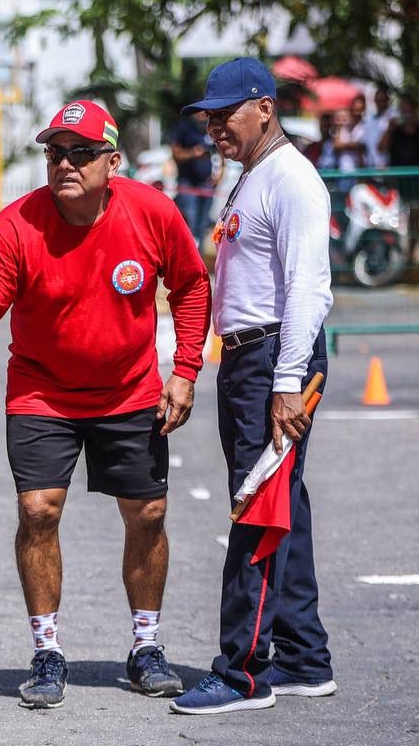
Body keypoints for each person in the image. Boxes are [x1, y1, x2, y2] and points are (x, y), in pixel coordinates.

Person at [0, 100, 211, 710]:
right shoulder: (16, 225)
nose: (65, 163)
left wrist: (186, 370)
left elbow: (192, 286)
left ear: (112, 161)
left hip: (131, 388)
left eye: (82, 152)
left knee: (146, 516)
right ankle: (47, 651)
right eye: (55, 152)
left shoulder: (151, 212)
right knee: (38, 511)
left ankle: (146, 645)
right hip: (43, 390)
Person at [171, 57, 335, 715]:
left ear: (264, 107)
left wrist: (288, 381)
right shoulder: (253, 175)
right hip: (248, 359)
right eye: (207, 117)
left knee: (256, 507)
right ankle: (303, 657)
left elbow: (309, 288)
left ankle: (242, 671)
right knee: (279, 500)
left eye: (224, 114)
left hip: (273, 358)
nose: (213, 127)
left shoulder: (291, 178)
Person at [170, 110, 218, 243]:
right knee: (189, 223)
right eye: (199, 111)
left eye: (206, 112)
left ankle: (198, 260)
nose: (203, 115)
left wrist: (220, 174)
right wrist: (193, 153)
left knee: (202, 225)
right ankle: (187, 257)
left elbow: (219, 153)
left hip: (206, 183)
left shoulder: (210, 128)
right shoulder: (184, 127)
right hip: (187, 184)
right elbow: (176, 153)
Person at [380, 93, 419, 168]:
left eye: (407, 108)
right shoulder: (394, 128)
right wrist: (389, 129)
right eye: (402, 107)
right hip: (397, 174)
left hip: (416, 173)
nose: (404, 109)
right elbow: (381, 149)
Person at [362, 83, 395, 168]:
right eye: (378, 100)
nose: (380, 103)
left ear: (387, 101)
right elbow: (366, 144)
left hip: (387, 166)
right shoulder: (369, 119)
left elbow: (382, 147)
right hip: (371, 165)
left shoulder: (393, 117)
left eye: (382, 100)